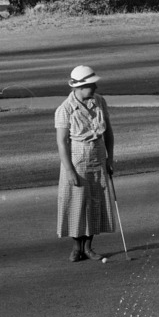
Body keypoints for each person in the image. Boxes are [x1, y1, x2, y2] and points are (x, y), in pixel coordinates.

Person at [54, 64, 116, 262]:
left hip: (98, 161)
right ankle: (76, 247)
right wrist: (70, 170)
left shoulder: (100, 102)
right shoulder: (64, 110)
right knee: (76, 204)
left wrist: (110, 158)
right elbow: (62, 143)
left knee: (96, 203)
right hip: (76, 163)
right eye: (91, 85)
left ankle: (88, 247)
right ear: (79, 87)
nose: (95, 88)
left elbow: (108, 133)